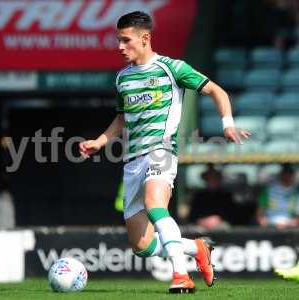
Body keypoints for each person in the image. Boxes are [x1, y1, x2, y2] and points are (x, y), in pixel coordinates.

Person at [79, 11, 250, 293]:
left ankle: (181, 275)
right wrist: (100, 141)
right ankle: (196, 248)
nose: (119, 47)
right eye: (118, 41)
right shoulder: (122, 78)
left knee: (154, 203)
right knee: (142, 246)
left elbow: (218, 92)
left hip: (161, 150)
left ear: (145, 38)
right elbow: (122, 119)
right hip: (131, 162)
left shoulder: (173, 68)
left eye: (125, 40)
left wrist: (227, 125)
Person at [188, 164, 235, 230]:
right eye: (210, 178)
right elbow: (192, 216)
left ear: (218, 179)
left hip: (221, 226)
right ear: (206, 180)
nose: (212, 180)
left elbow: (232, 216)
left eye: (215, 178)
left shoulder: (226, 196)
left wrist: (218, 220)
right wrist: (203, 221)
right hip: (201, 227)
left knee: (225, 228)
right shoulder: (199, 196)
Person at [257, 163, 299, 229]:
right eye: (285, 173)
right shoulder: (268, 190)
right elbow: (260, 211)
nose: (287, 176)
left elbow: (297, 216)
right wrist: (262, 220)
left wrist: (294, 222)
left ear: (292, 175)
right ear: (281, 174)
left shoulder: (296, 192)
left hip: (291, 225)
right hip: (270, 223)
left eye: (289, 174)